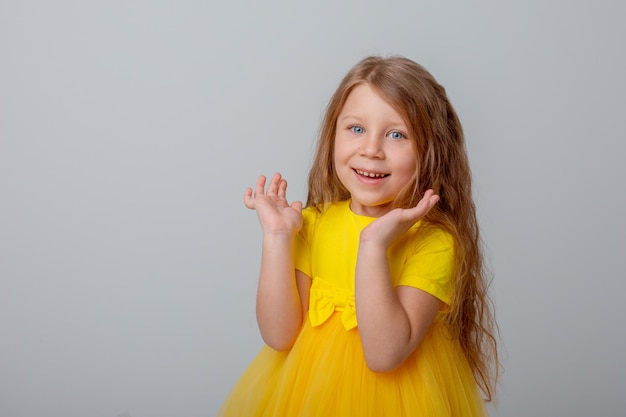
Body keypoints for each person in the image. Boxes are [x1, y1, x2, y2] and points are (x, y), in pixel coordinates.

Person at [217, 55, 499, 416]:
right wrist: (276, 237)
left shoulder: (433, 241)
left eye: (397, 134)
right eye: (356, 129)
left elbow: (384, 355)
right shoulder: (312, 225)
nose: (371, 149)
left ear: (430, 152)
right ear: (333, 133)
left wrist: (374, 245)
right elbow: (279, 335)